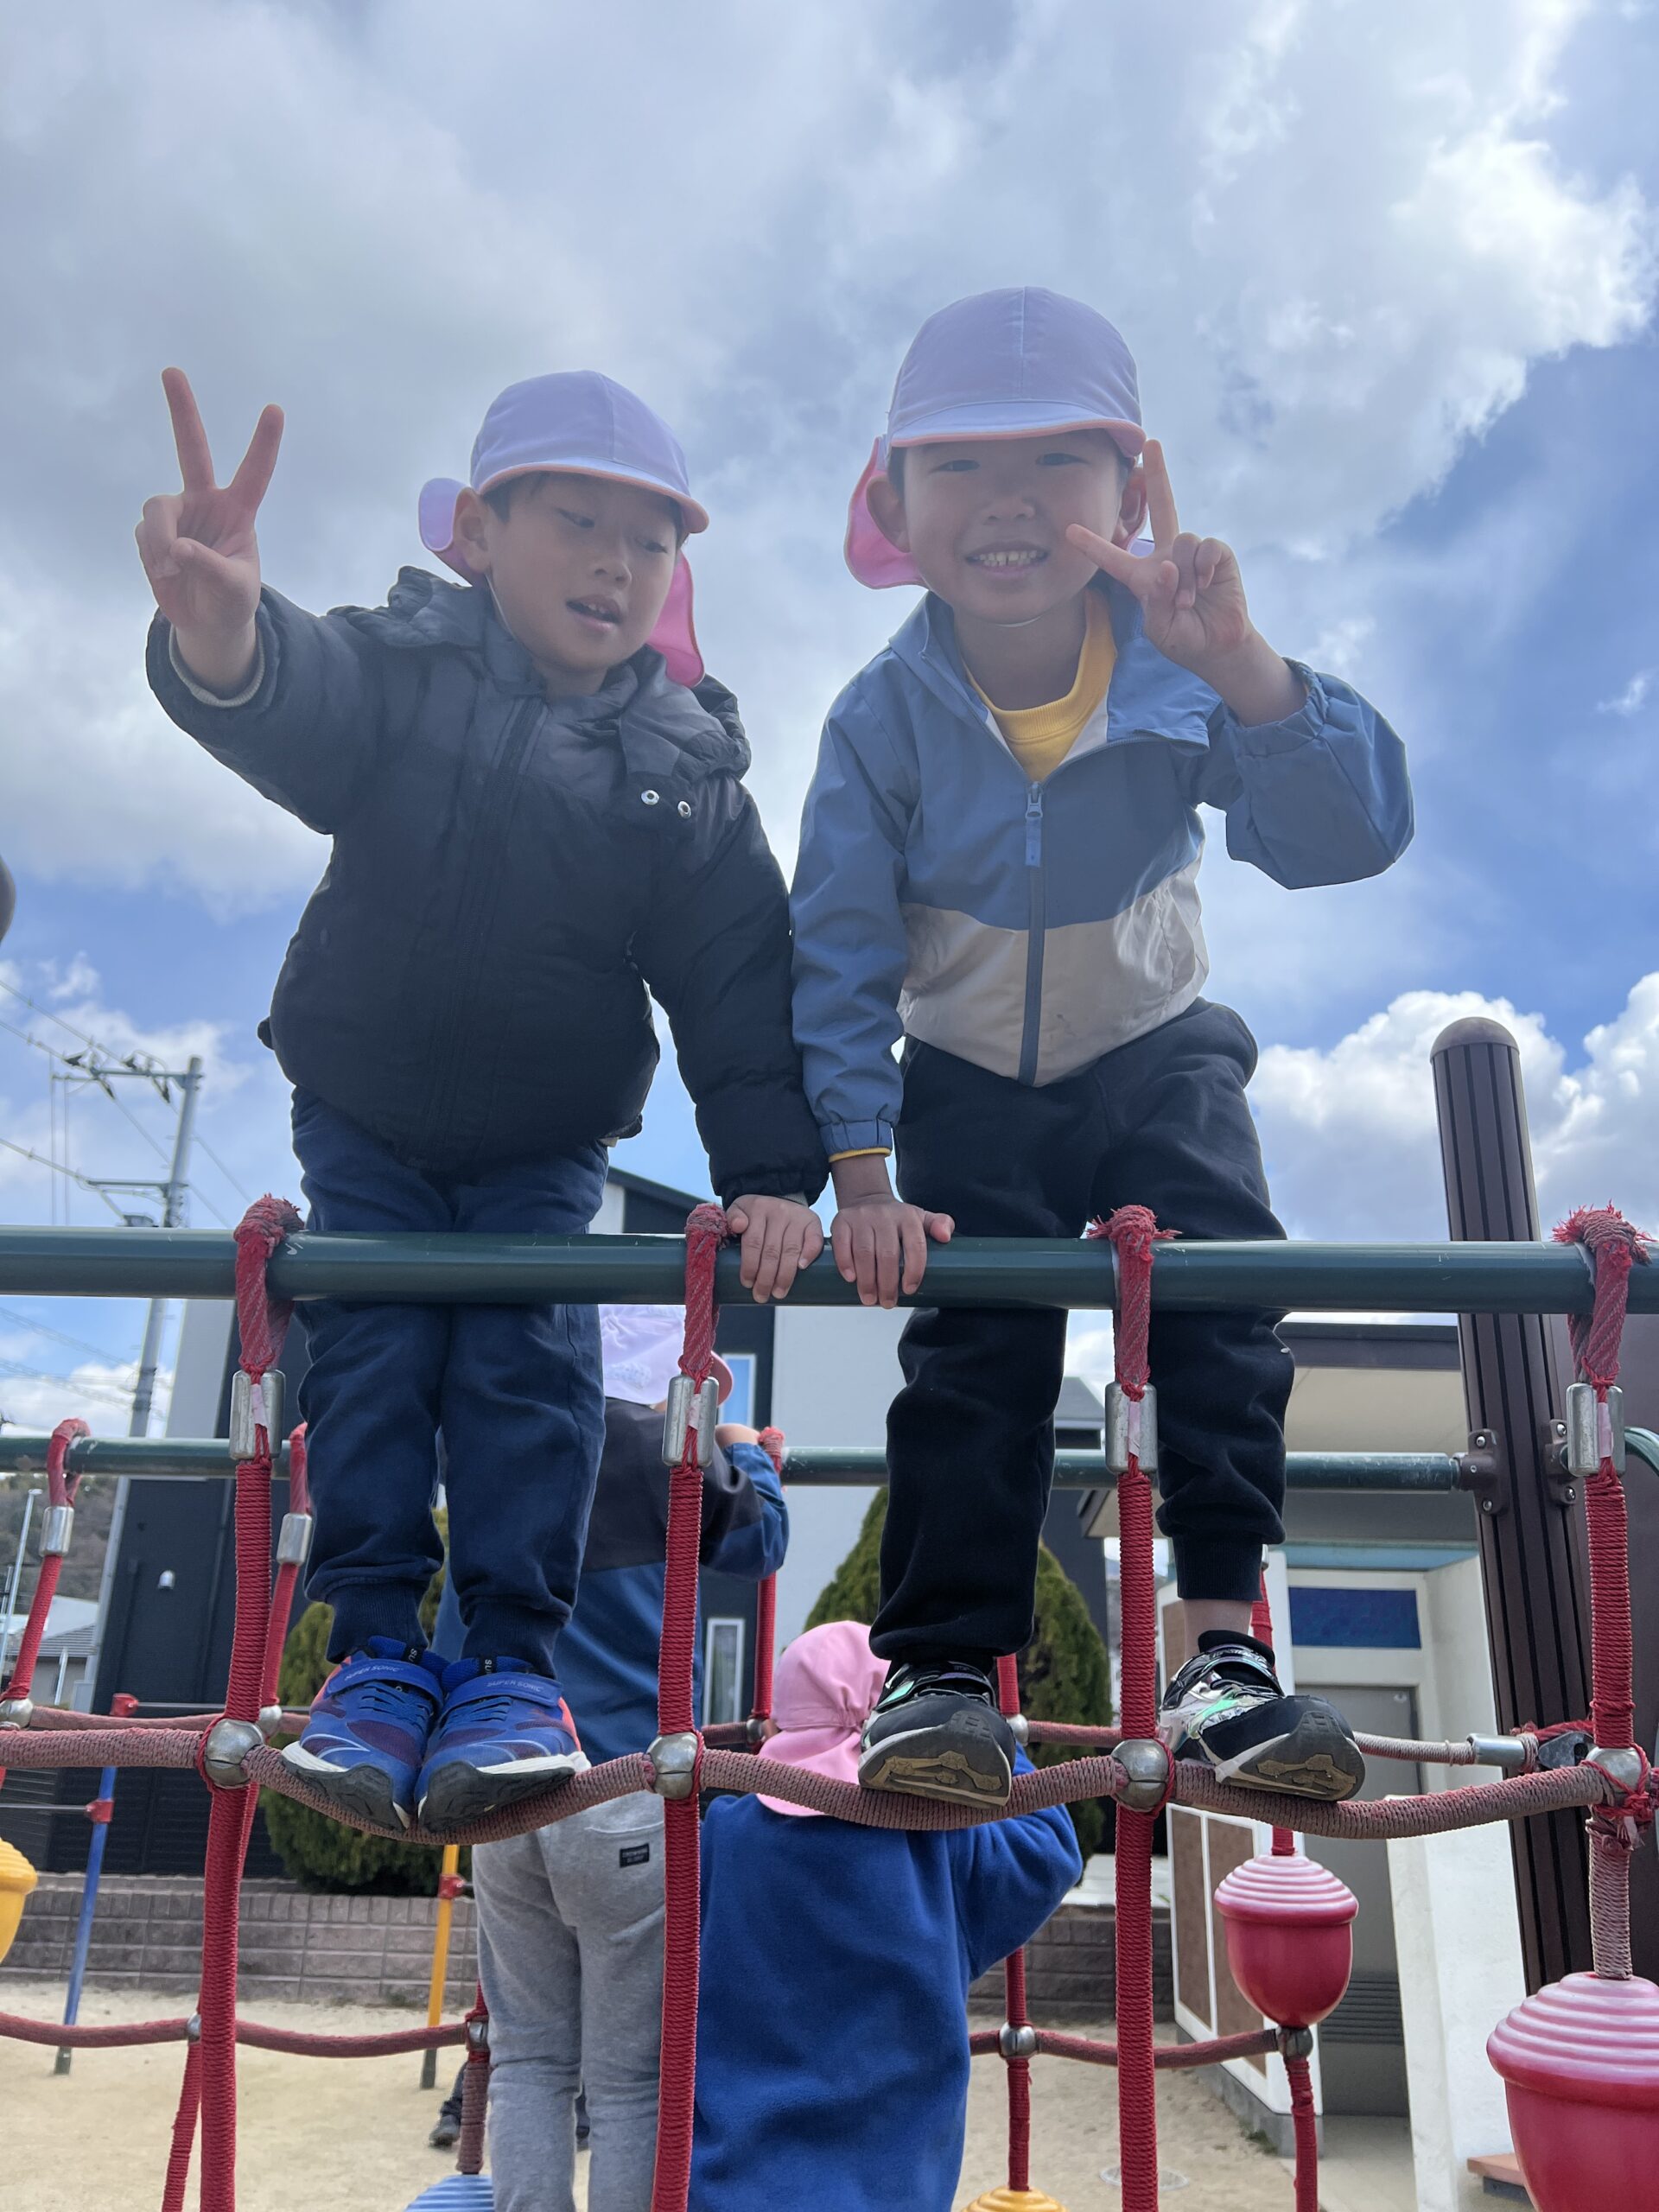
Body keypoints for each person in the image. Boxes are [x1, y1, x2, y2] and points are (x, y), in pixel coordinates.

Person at [138, 369, 824, 1835]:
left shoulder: (683, 769)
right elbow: (299, 701)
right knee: (377, 1356)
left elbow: (734, 984)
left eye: (649, 543)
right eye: (577, 522)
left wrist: (771, 1170)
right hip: (365, 1111)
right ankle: (375, 1654)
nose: (614, 564)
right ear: (475, 535)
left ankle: (512, 1662)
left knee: (526, 1369)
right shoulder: (405, 668)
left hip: (542, 1139)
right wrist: (221, 636)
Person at [791, 288, 1413, 1810]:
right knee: (975, 1344)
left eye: (1055, 461)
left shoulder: (1177, 661)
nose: (1008, 500)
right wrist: (862, 1167)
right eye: (960, 465)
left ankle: (1224, 1652)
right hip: (966, 1072)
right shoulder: (879, 720)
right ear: (894, 504)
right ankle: (942, 1669)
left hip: (1154, 1042)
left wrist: (1249, 666)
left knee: (1220, 1301)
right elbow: (839, 948)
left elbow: (1351, 834)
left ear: (1132, 496)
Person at [429, 1306, 788, 2210]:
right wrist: (744, 1448)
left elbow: (452, 1632)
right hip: (627, 1784)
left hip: (508, 1780)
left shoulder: (505, 1445)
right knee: (630, 2080)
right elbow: (763, 1542)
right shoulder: (669, 1454)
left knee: (527, 2057)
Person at [690, 1621, 1080, 2212]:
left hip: (728, 2181)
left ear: (774, 1730)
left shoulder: (722, 1836)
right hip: (894, 2190)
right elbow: (1050, 1844)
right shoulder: (938, 1840)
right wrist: (988, 1736)